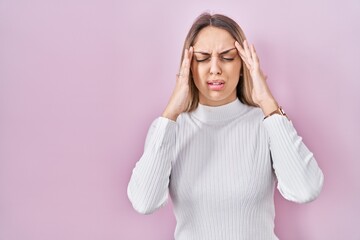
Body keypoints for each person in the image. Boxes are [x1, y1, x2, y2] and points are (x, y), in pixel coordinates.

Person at [127, 12, 324, 240]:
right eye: (202, 58)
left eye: (227, 57)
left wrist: (268, 103)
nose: (215, 68)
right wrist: (171, 112)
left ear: (243, 65)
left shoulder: (266, 123)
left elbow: (306, 189)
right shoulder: (169, 128)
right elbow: (144, 202)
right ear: (188, 66)